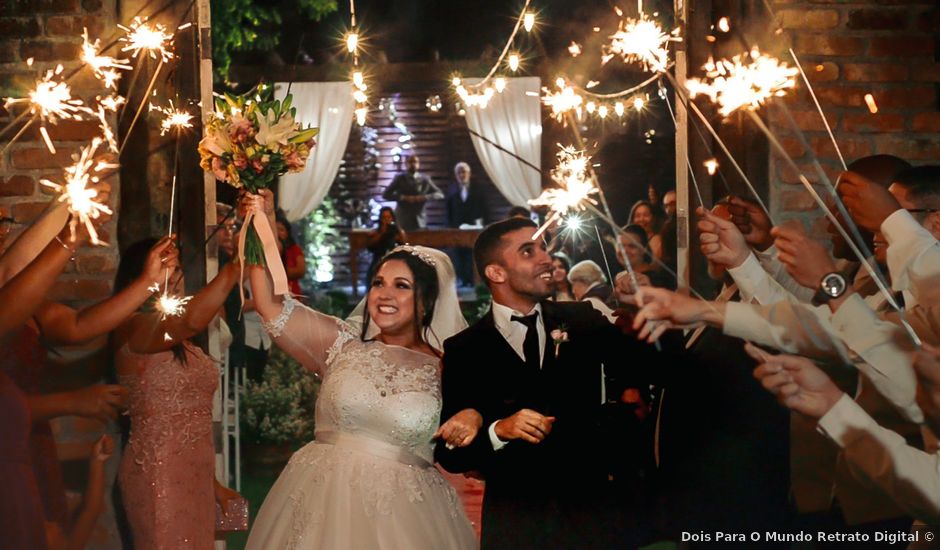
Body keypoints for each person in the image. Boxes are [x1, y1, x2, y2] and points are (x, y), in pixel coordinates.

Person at [244, 189, 477, 549]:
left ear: (426, 301)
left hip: (406, 517)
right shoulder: (341, 343)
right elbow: (269, 304)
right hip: (322, 500)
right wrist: (264, 221)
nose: (384, 294)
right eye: (378, 283)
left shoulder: (447, 367)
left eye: (402, 286)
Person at [436, 217, 663, 549]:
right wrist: (499, 430)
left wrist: (642, 304)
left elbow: (649, 366)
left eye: (544, 248)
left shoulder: (582, 319)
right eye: (528, 251)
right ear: (496, 273)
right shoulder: (465, 350)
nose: (546, 259)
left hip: (592, 521)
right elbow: (451, 454)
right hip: (517, 527)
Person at [113, 238, 243, 549]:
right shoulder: (133, 328)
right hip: (158, 473)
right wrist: (233, 268)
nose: (177, 277)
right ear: (138, 277)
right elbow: (191, 318)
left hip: (197, 472)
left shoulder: (186, 342)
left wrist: (212, 484)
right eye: (165, 269)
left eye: (179, 269)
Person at [446, 162, 486, 287]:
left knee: (472, 255)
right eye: (459, 172)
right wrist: (450, 228)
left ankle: (472, 281)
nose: (461, 175)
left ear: (469, 173)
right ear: (456, 175)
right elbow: (448, 211)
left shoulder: (478, 189)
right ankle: (462, 280)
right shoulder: (451, 189)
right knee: (458, 256)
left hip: (474, 228)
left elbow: (484, 208)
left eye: (464, 172)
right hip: (457, 229)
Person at [382, 155, 444, 230]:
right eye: (410, 162)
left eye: (415, 162)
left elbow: (440, 194)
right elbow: (385, 194)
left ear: (419, 164)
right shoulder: (399, 178)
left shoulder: (425, 179)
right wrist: (403, 198)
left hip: (419, 220)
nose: (413, 164)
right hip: (403, 220)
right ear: (406, 164)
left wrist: (424, 197)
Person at [366, 206, 406, 283]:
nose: (386, 220)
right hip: (378, 260)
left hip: (394, 260)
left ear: (392, 218)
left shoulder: (396, 230)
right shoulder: (376, 232)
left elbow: (404, 244)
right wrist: (382, 232)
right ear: (380, 218)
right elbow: (370, 245)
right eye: (384, 217)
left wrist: (398, 231)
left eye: (388, 217)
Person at [276, 213, 306, 298]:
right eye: (275, 229)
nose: (278, 233)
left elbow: (301, 271)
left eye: (281, 230)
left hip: (291, 294)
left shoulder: (294, 249)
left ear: (287, 233)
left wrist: (278, 271)